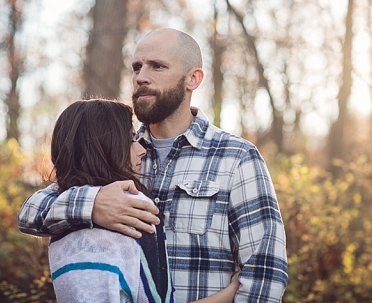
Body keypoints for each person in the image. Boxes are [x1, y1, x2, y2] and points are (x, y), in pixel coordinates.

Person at [19, 28, 288, 302]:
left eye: (157, 66)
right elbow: (30, 213)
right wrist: (93, 205)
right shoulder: (118, 154)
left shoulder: (236, 157)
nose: (141, 77)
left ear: (193, 79)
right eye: (137, 67)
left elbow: (265, 272)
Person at [44, 99, 239, 303]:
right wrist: (230, 293)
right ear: (102, 148)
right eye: (129, 140)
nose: (141, 149)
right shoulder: (126, 211)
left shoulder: (63, 214)